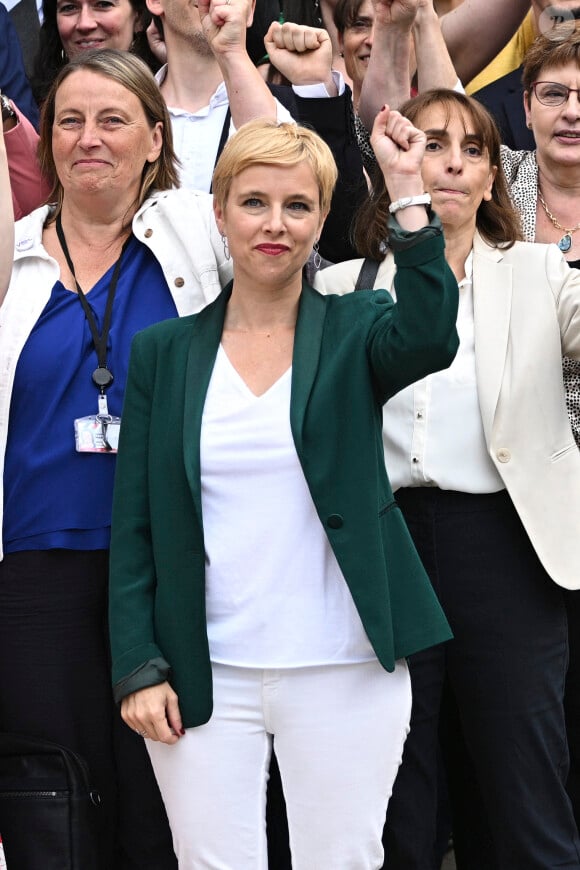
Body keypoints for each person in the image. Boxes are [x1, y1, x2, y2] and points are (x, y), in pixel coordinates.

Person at [108, 111, 460, 869]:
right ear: (220, 211)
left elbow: (432, 333)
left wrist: (406, 190)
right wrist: (138, 665)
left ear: (322, 219)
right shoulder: (163, 353)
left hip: (346, 664)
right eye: (255, 202)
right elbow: (135, 521)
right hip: (207, 670)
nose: (275, 224)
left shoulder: (360, 324)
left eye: (297, 206)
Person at [315, 86, 580, 870]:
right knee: (399, 784)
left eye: (474, 150)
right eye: (434, 143)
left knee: (524, 778)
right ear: (399, 161)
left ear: (493, 175)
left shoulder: (537, 270)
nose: (454, 163)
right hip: (385, 542)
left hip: (505, 544)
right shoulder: (344, 288)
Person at [0, 47, 236, 869]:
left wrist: (237, 52)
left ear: (155, 138)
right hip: (34, 565)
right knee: (48, 786)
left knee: (166, 774)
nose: (88, 138)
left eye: (112, 120)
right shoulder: (15, 253)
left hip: (169, 556)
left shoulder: (196, 236)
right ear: (46, 143)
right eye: (70, 120)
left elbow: (280, 165)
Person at [30, 0, 159, 105]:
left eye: (103, 4)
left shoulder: (166, 101)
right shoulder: (33, 110)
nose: (85, 24)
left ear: (139, 17)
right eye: (69, 8)